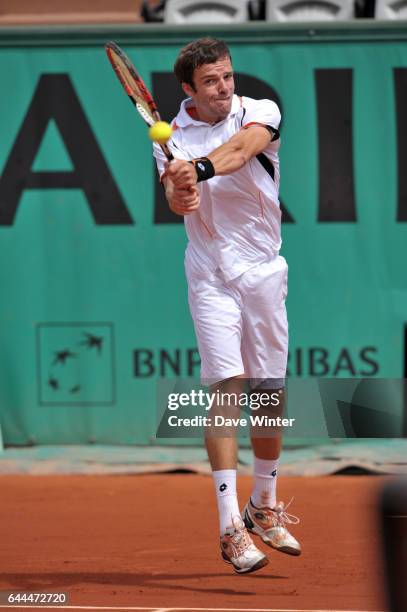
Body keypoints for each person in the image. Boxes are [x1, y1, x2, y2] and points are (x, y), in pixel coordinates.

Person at [153, 37, 300, 574]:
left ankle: (263, 504)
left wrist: (200, 169)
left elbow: (241, 151)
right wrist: (180, 188)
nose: (223, 88)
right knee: (226, 386)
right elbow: (178, 201)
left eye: (228, 76)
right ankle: (229, 529)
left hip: (264, 270)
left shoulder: (258, 110)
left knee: (269, 394)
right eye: (211, 81)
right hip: (210, 273)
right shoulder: (169, 137)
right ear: (189, 88)